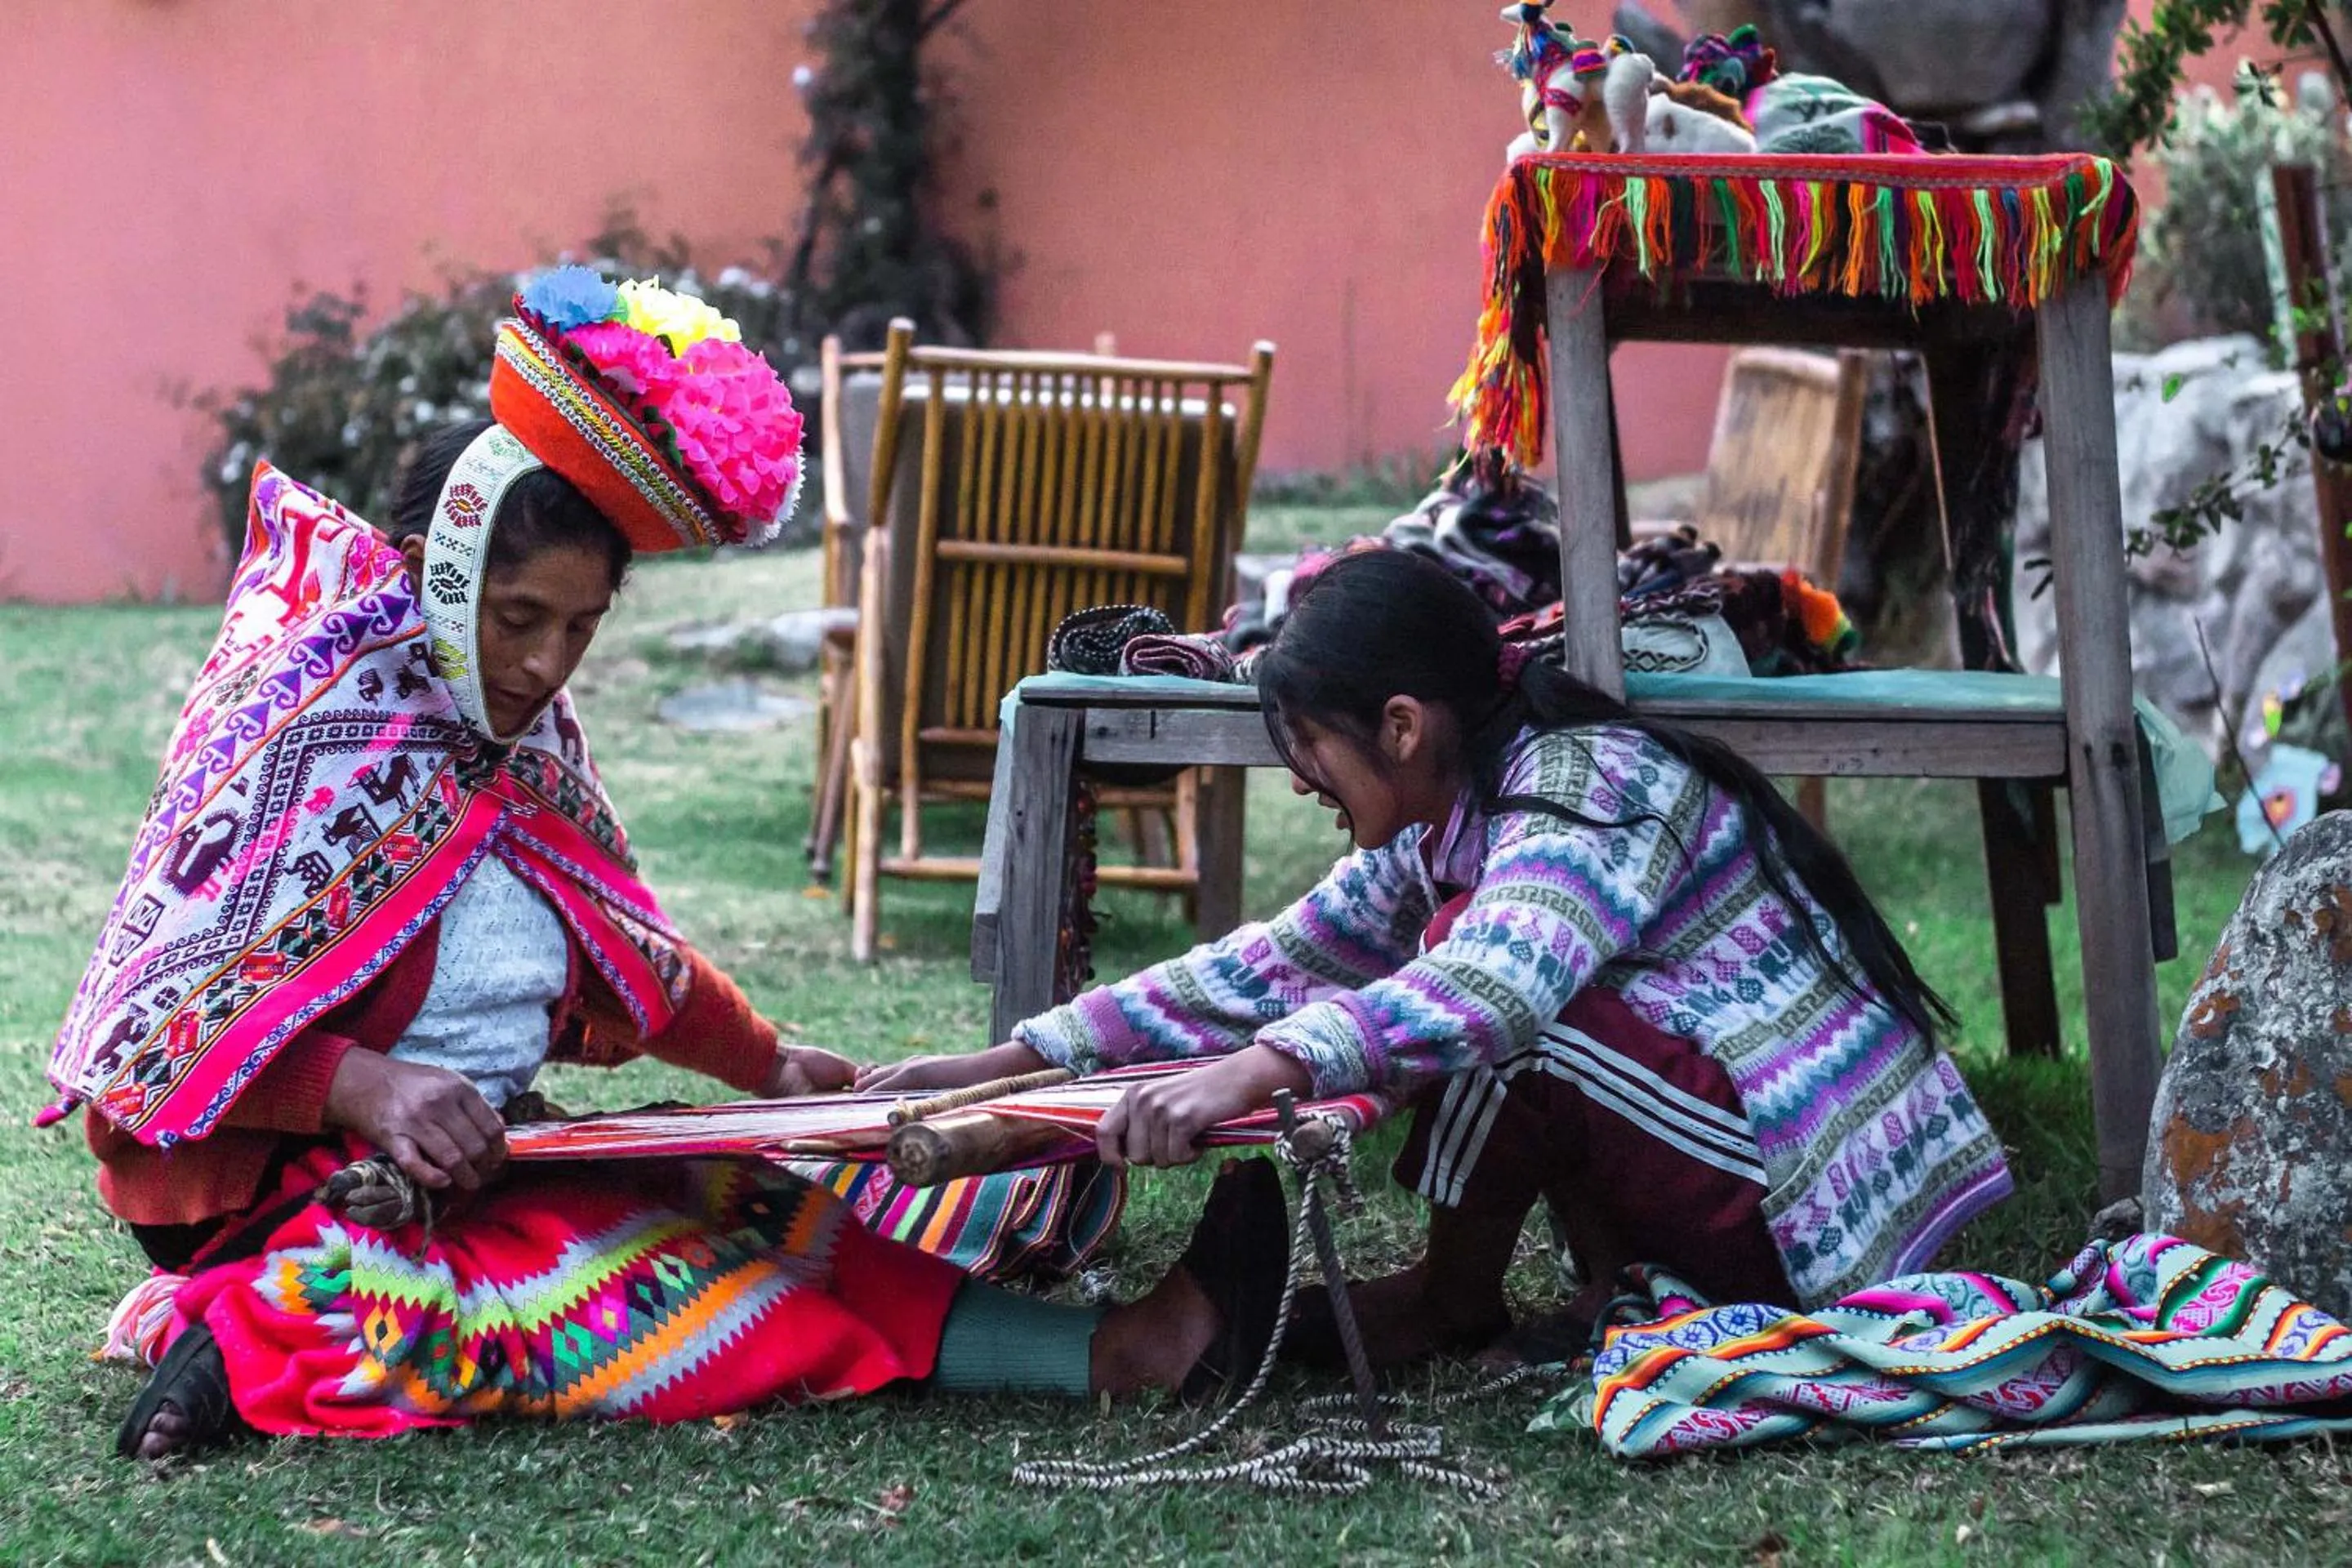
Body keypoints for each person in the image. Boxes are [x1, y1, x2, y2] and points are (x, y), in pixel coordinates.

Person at [46, 270, 1286, 1461]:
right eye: (517, 618)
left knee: (739, 1193)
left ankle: (307, 1306)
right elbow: (138, 1053)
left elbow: (625, 955)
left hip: (472, 1157)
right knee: (631, 1267)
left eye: (578, 629)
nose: (543, 667)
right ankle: (271, 1320)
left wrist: (777, 1067)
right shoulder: (302, 727)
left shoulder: (516, 749)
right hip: (274, 1181)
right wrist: (365, 1087)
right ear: (433, 566)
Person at [862, 548, 2013, 1365]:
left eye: (1310, 748)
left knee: (1507, 1009)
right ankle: (1510, 1295)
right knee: (1454, 986)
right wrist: (1000, 1062)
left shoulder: (1588, 786)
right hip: (1739, 1156)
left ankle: (1448, 1303)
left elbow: (1493, 990)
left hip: (1824, 1204)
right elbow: (1269, 965)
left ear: (1402, 728)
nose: (1304, 781)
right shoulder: (1448, 823)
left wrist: (1260, 1072)